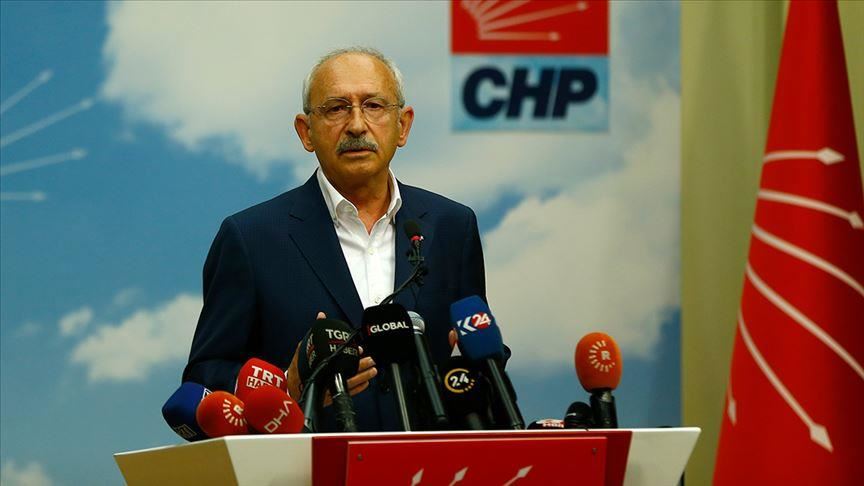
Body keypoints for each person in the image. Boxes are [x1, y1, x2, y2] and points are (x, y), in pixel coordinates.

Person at [182, 47, 486, 431]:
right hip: (306, 459)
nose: (357, 125)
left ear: (403, 125)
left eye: (374, 106)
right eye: (336, 108)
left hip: (430, 459)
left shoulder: (451, 227)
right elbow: (205, 377)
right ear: (306, 132)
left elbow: (482, 351)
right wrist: (287, 385)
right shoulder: (251, 238)